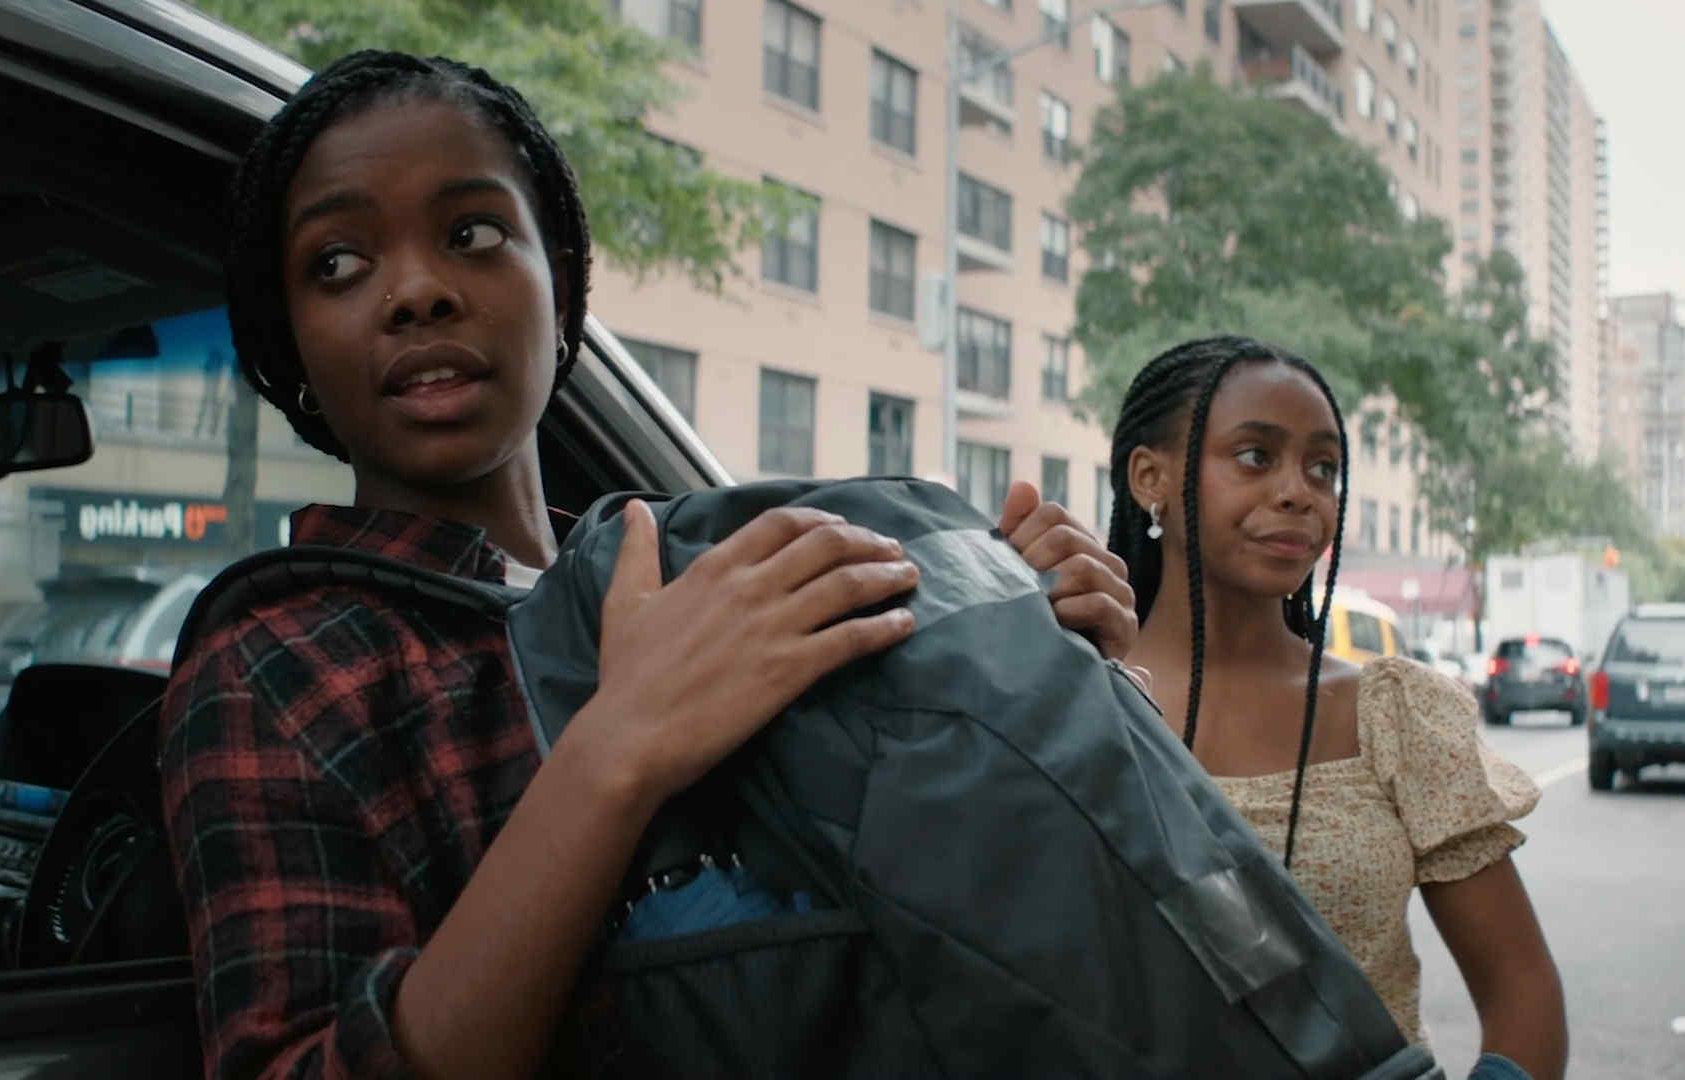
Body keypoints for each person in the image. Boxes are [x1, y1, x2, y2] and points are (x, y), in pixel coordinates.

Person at [160, 50, 1137, 1079]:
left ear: (561, 281)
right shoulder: (271, 670)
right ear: (292, 342)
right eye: (339, 264)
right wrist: (615, 752)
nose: (415, 291)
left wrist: (1053, 675)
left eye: (474, 234)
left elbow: (957, 922)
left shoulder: (704, 569)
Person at [1103, 336, 1568, 1080]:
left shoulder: (1393, 714)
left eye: (1323, 468)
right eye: (1256, 455)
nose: (1300, 492)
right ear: (1150, 476)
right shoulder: (1075, 697)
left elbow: (1522, 987)